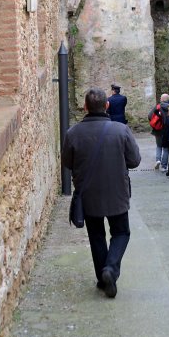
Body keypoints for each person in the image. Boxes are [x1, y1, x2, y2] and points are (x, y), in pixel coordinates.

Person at [60, 87, 141, 298]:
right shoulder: (121, 130)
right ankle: (110, 269)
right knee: (121, 233)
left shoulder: (73, 133)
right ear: (107, 105)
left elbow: (67, 162)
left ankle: (103, 277)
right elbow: (134, 161)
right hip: (117, 192)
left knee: (96, 236)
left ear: (85, 107)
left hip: (88, 193)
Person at [149, 93, 169, 171]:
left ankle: (158, 160)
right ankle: (164, 166)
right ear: (168, 99)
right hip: (167, 130)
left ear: (162, 99)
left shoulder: (157, 107)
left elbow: (149, 116)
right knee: (166, 148)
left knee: (159, 146)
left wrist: (155, 123)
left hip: (158, 130)